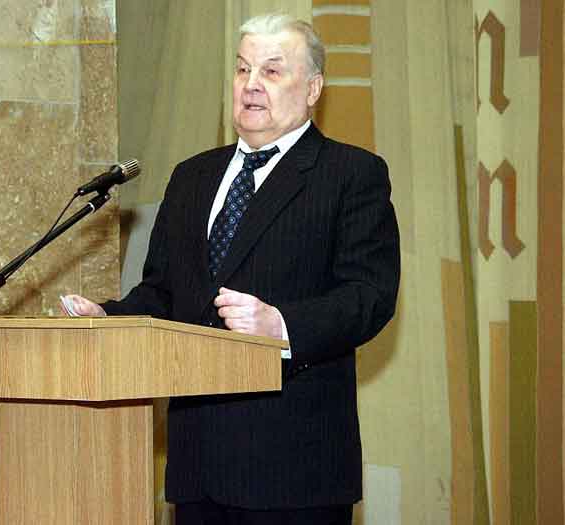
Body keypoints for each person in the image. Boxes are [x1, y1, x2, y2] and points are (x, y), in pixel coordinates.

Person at [62, 13, 400, 525]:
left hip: (295, 470)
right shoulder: (192, 176)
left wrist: (281, 325)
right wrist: (109, 318)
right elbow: (163, 292)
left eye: (271, 71)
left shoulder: (350, 174)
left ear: (313, 89)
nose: (251, 85)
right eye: (243, 70)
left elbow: (368, 295)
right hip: (197, 465)